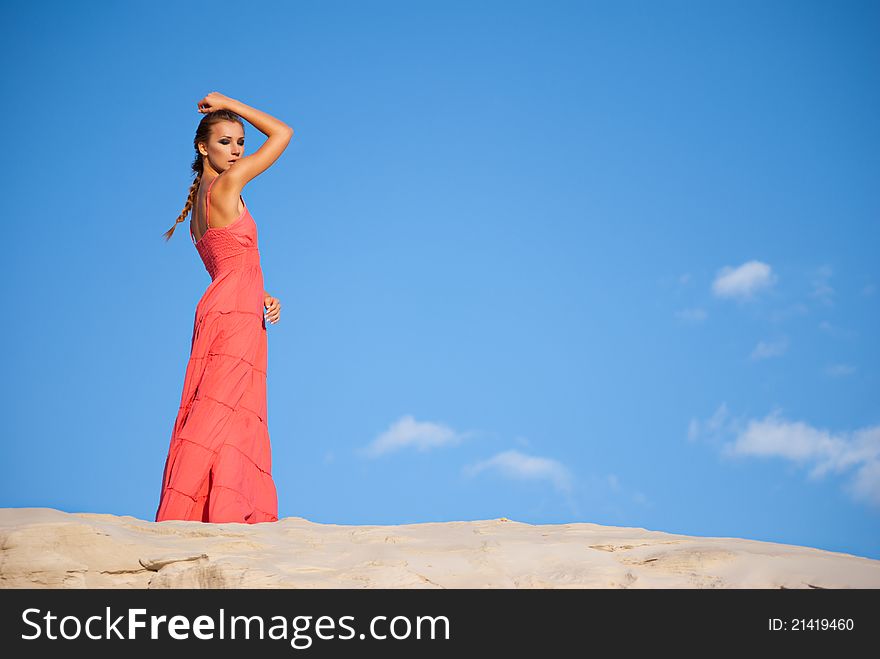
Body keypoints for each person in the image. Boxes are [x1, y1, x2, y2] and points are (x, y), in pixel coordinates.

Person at [155, 92, 293, 523]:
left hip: (227, 304)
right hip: (232, 312)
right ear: (203, 147)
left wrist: (260, 293)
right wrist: (227, 102)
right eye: (226, 141)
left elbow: (230, 263)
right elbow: (284, 133)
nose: (236, 151)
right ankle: (188, 515)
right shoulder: (228, 185)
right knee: (217, 410)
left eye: (240, 143)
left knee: (225, 408)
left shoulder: (201, 200)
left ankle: (219, 511)